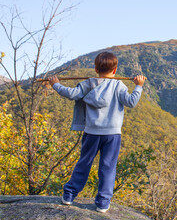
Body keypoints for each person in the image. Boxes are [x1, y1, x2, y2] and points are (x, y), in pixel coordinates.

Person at [48, 51, 146, 213]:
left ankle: (69, 195)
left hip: (91, 133)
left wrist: (55, 84)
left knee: (84, 163)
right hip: (112, 135)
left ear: (95, 69)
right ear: (114, 71)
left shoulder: (88, 84)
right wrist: (138, 86)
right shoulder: (118, 85)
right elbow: (131, 102)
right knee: (108, 167)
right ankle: (102, 203)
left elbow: (71, 94)